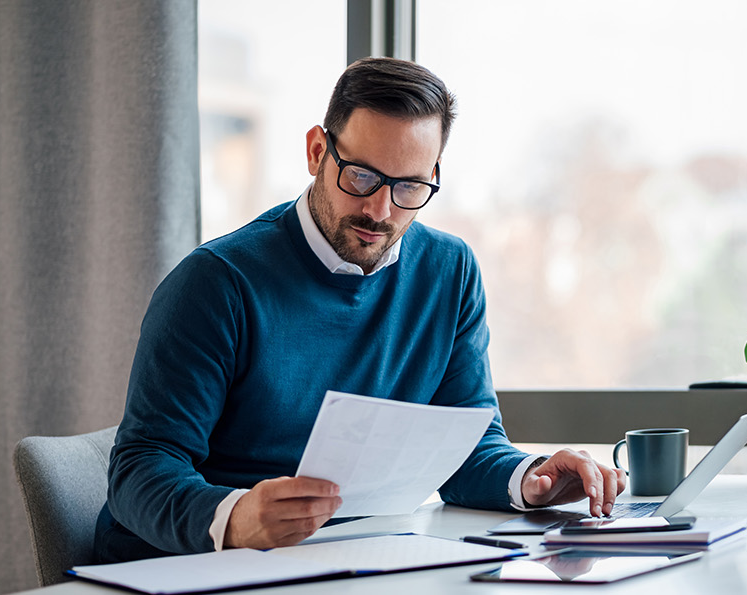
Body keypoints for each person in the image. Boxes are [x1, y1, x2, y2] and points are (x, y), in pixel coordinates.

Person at [94, 57, 625, 562]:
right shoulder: (215, 284)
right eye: (362, 177)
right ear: (316, 152)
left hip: (349, 558)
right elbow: (140, 472)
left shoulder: (450, 271)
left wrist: (534, 478)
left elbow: (468, 447)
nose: (380, 209)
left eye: (409, 186)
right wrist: (234, 517)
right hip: (187, 567)